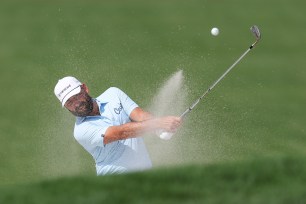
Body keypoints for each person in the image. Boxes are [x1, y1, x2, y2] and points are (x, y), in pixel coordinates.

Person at [54, 76, 182, 175]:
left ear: (85, 88)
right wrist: (158, 124)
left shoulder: (113, 94)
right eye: (69, 102)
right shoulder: (81, 131)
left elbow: (140, 115)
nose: (76, 104)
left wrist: (160, 127)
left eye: (76, 96)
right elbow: (121, 133)